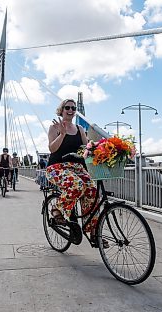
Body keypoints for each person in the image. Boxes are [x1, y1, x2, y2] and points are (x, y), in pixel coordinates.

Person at [45, 98, 97, 244]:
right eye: (67, 107)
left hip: (77, 168)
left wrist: (104, 150)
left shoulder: (80, 129)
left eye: (73, 108)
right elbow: (52, 149)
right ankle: (57, 208)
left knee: (93, 191)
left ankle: (93, 231)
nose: (70, 110)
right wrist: (62, 134)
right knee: (76, 185)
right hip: (57, 168)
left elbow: (87, 149)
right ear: (61, 110)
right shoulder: (54, 128)